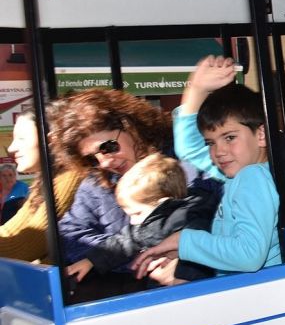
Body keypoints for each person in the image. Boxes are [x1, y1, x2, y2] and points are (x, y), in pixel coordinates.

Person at [135, 56, 281, 279]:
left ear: (261, 134)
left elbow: (249, 255)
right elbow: (190, 149)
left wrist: (185, 241)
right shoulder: (248, 172)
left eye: (230, 137)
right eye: (210, 142)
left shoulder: (251, 177)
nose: (219, 151)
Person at [52, 90, 178, 275]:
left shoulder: (181, 163)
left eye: (108, 147)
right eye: (92, 159)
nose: (105, 162)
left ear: (131, 128)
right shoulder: (96, 183)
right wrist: (137, 258)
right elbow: (69, 236)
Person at [65, 153, 216, 285]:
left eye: (137, 213)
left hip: (190, 288)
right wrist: (91, 261)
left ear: (161, 203)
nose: (132, 221)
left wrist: (183, 279)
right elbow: (122, 242)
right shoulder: (153, 222)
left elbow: (194, 248)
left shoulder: (190, 217)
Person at [1, 109, 88, 262]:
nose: (11, 148)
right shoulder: (48, 178)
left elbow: (21, 248)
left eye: (21, 138)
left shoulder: (70, 177)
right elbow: (9, 232)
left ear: (51, 140)